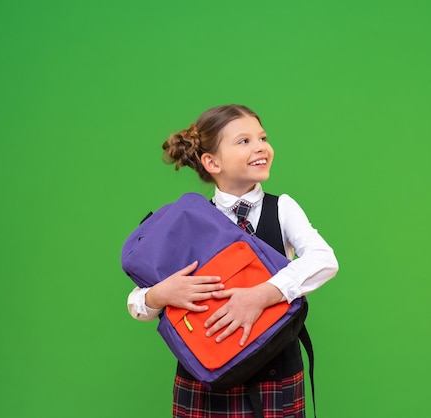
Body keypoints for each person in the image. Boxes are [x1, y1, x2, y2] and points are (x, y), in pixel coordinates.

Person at [127, 104, 338, 417]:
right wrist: (161, 294)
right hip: (206, 375)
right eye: (244, 141)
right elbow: (137, 304)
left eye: (262, 138)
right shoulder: (187, 221)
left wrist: (261, 295)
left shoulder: (282, 208)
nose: (261, 147)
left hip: (274, 373)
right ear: (211, 161)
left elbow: (324, 260)